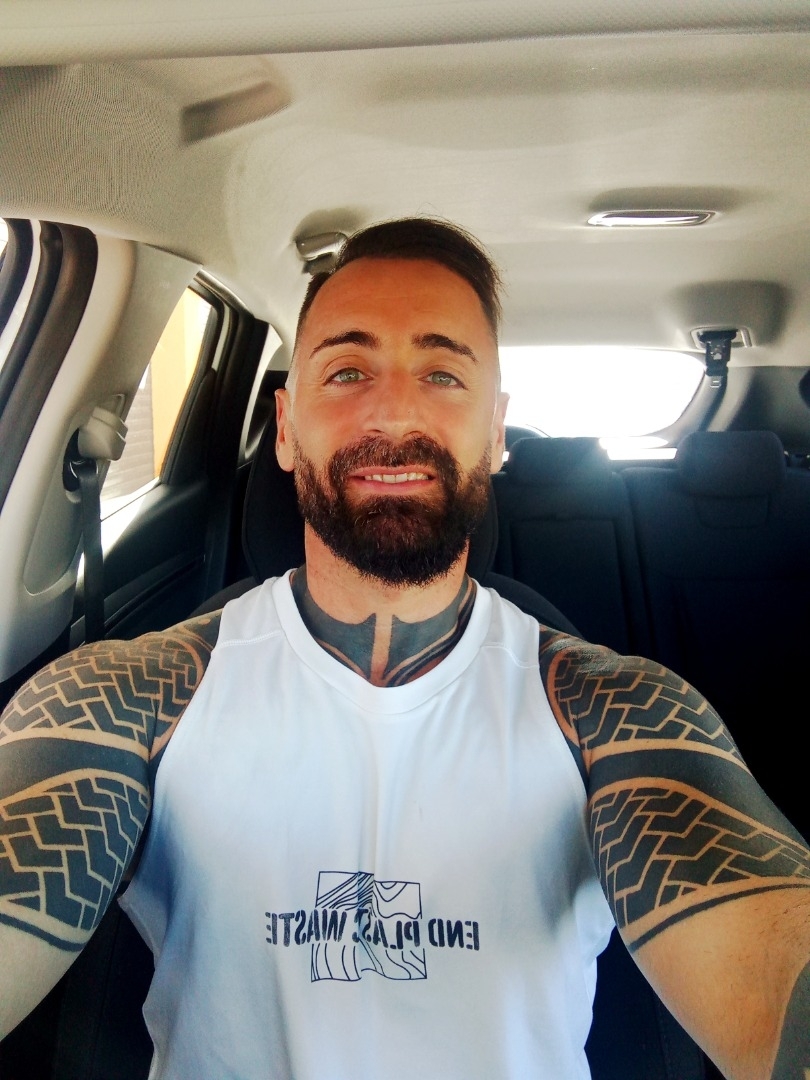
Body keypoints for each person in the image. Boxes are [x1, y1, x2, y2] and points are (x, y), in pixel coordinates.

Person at [0, 218, 808, 1079]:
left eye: (443, 374)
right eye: (347, 371)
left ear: (496, 431)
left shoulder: (618, 714)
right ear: (285, 428)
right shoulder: (131, 698)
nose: (392, 410)